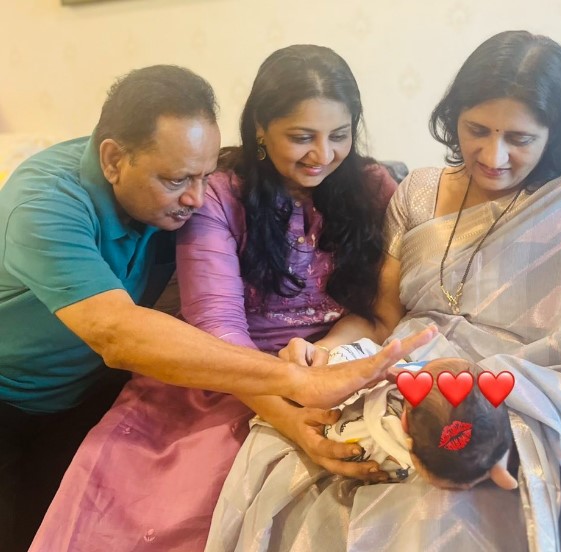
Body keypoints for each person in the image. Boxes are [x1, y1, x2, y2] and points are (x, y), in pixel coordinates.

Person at [208, 31, 561, 552]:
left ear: (555, 132)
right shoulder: (418, 192)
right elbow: (381, 320)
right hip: (404, 371)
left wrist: (491, 397)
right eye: (477, 130)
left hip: (529, 390)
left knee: (441, 494)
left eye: (520, 139)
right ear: (454, 116)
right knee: (316, 454)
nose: (494, 155)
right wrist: (325, 352)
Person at [0, 63, 432, 552]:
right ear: (114, 159)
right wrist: (295, 384)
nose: (196, 198)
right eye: (177, 179)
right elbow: (118, 332)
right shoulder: (42, 205)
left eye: (205, 175)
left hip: (88, 389)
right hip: (13, 397)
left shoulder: (186, 192)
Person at [318, 340, 517, 489]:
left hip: (341, 401)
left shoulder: (367, 433)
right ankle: (496, 470)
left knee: (345, 357)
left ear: (404, 422)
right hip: (465, 467)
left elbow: (331, 427)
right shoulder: (446, 454)